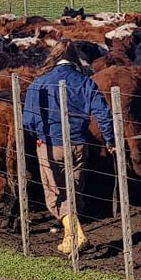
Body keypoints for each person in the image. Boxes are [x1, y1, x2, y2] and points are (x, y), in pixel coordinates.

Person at [22, 40, 115, 254]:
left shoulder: (40, 83)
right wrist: (109, 140)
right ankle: (70, 238)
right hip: (79, 143)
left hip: (50, 143)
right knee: (73, 189)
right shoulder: (86, 82)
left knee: (54, 192)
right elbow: (102, 113)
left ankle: (78, 236)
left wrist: (37, 134)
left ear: (53, 57)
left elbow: (28, 119)